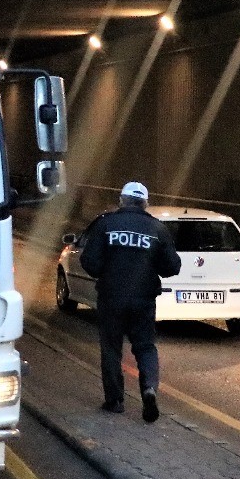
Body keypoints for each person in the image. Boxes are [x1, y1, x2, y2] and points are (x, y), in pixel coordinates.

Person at [78, 181, 181, 423]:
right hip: (143, 301)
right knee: (145, 347)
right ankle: (149, 390)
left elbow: (89, 262)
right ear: (145, 203)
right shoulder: (157, 229)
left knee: (111, 349)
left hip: (111, 299)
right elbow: (172, 267)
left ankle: (115, 401)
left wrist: (108, 270)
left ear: (121, 200)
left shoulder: (106, 224)